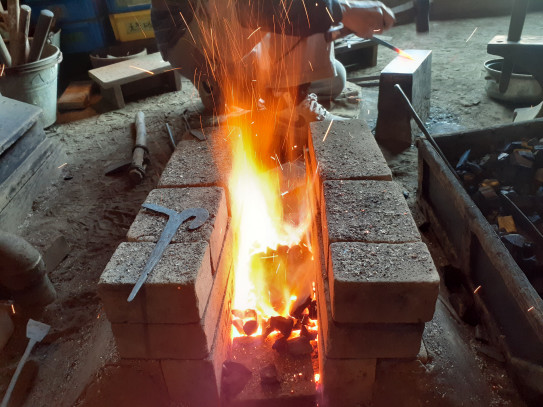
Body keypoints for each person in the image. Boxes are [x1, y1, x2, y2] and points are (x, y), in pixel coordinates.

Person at [151, 0, 395, 123]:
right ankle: (291, 105)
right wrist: (344, 9)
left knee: (334, 78)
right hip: (191, 37)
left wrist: (339, 18)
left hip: (215, 32)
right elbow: (256, 8)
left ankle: (224, 87)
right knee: (309, 10)